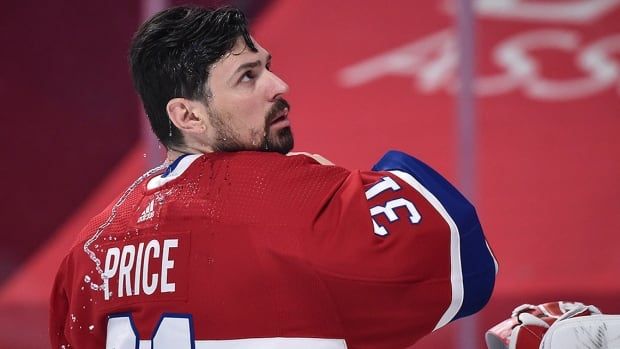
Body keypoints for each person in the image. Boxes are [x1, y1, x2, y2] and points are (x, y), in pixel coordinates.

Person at [49, 6, 498, 349]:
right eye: (248, 76)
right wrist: (341, 185)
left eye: (266, 66)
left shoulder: (87, 253)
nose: (278, 85)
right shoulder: (292, 199)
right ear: (187, 114)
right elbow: (459, 250)